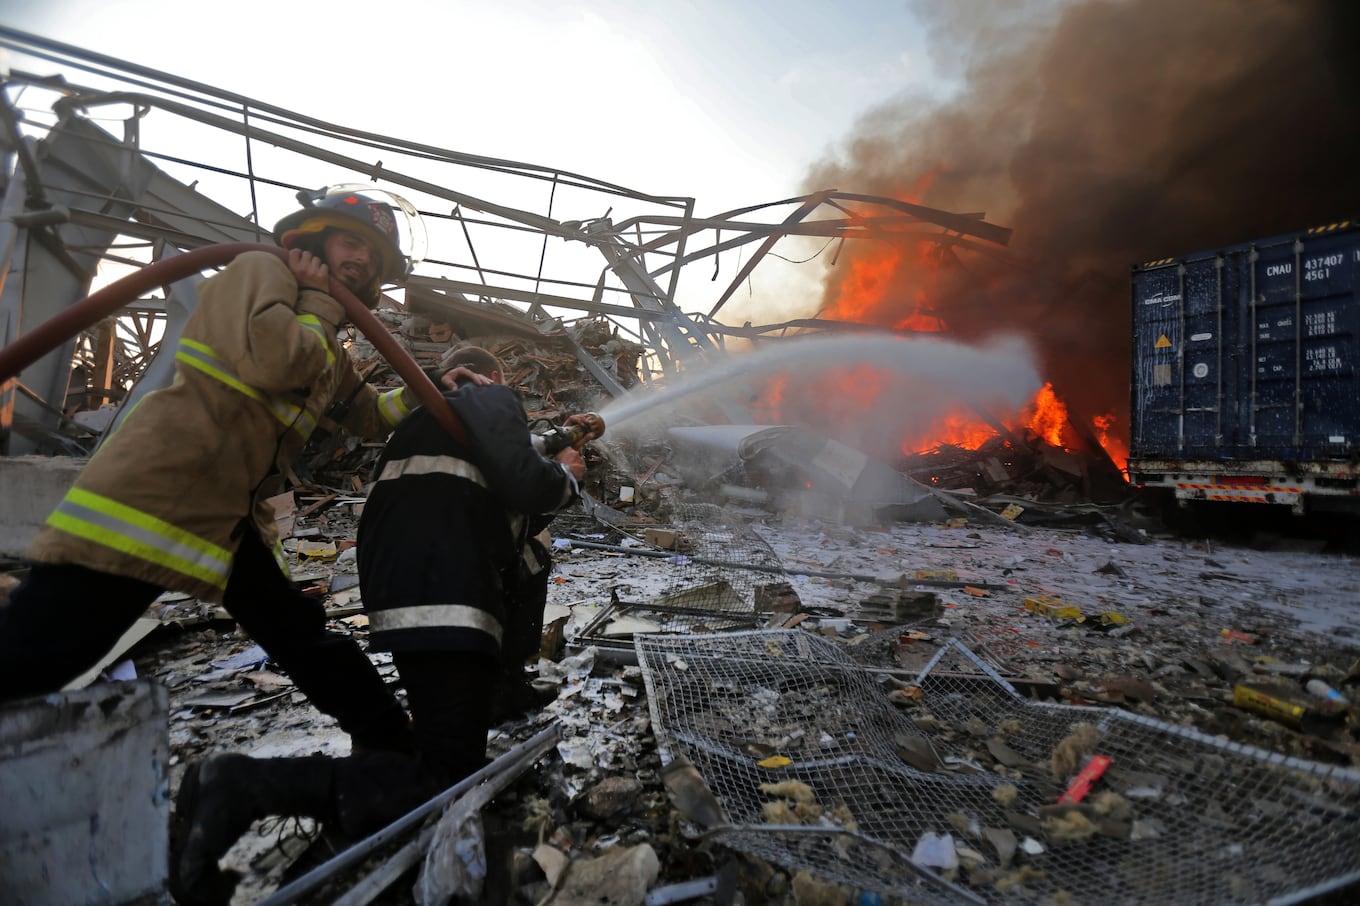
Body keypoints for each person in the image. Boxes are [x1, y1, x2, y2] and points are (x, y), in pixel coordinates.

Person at [0, 190, 421, 754]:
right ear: (316, 239)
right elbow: (275, 363)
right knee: (44, 652)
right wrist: (321, 305)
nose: (363, 259)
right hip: (158, 495)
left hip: (225, 511)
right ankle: (392, 742)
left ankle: (393, 745)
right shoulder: (261, 272)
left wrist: (428, 393)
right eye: (352, 242)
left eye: (374, 255)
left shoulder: (317, 329)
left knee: (299, 634)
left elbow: (365, 412)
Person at [168, 346, 592, 905]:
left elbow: (508, 489)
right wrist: (568, 476)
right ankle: (243, 787)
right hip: (445, 587)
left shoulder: (432, 425)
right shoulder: (487, 395)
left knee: (442, 750)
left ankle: (382, 765)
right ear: (491, 375)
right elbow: (527, 483)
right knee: (449, 781)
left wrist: (550, 455)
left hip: (408, 585)